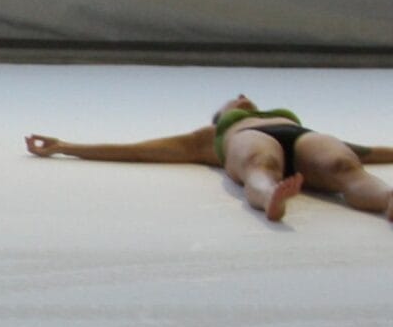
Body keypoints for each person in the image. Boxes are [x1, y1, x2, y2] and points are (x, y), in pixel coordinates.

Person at [25, 94, 393, 224]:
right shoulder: (210, 137)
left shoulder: (282, 116)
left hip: (302, 138)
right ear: (219, 115)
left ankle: (387, 199)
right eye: (232, 101)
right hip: (249, 141)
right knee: (259, 167)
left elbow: (370, 150)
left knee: (346, 167)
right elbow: (139, 149)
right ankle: (269, 196)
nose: (242, 97)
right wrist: (65, 145)